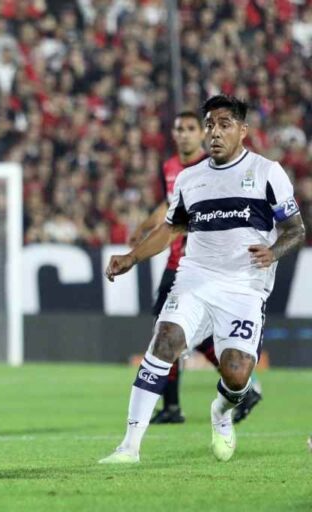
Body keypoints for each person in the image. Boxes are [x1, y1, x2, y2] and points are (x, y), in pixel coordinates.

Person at [100, 95, 305, 464]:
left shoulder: (266, 172)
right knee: (165, 341)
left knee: (238, 374)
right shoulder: (189, 179)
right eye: (210, 124)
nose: (214, 132)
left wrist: (273, 252)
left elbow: (295, 230)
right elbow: (171, 229)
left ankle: (221, 412)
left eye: (224, 124)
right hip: (195, 278)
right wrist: (132, 257)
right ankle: (129, 446)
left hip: (244, 287)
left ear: (243, 131)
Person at [129, 112, 262, 425]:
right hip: (174, 262)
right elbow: (170, 207)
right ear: (173, 134)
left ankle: (241, 385)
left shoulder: (212, 167)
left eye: (190, 129)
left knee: (182, 334)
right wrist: (147, 226)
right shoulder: (170, 168)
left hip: (202, 266)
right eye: (179, 129)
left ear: (202, 133)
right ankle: (174, 405)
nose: (185, 135)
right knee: (167, 332)